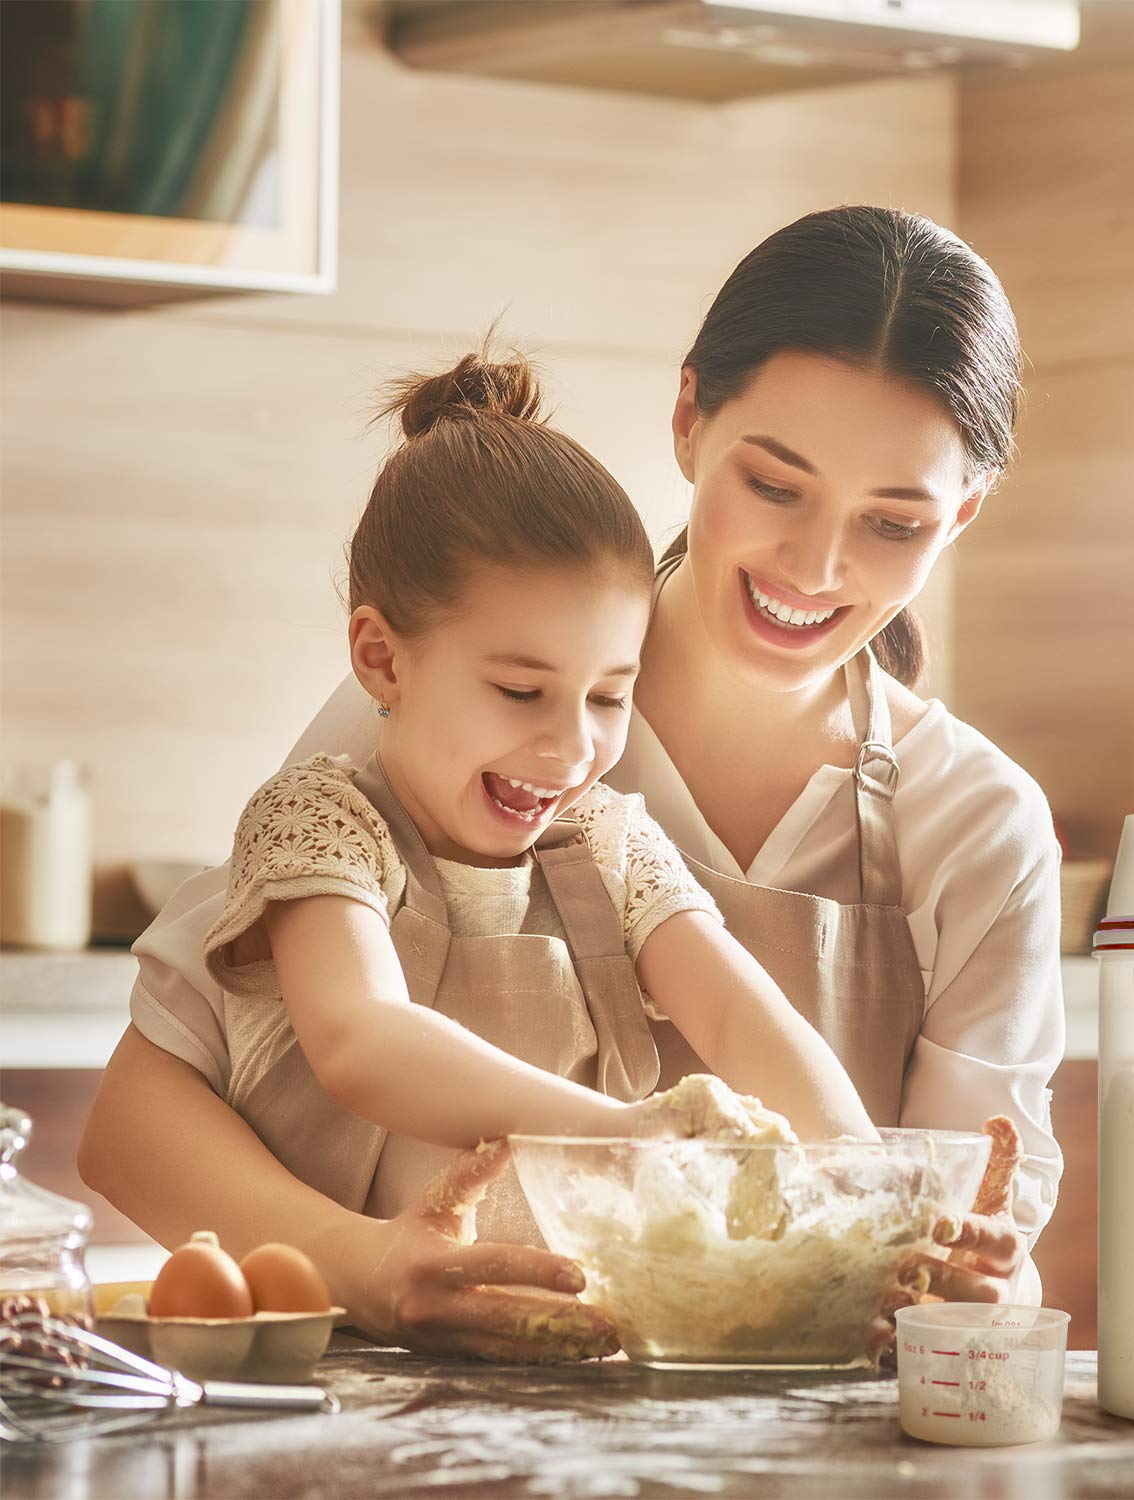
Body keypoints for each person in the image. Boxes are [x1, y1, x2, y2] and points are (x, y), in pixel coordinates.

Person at [80, 206, 1065, 1361]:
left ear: (963, 515)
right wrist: (370, 1268)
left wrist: (966, 1280)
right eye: (776, 485)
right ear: (691, 418)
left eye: (893, 522)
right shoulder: (454, 700)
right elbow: (135, 1124)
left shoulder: (979, 829)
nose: (816, 568)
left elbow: (952, 1241)